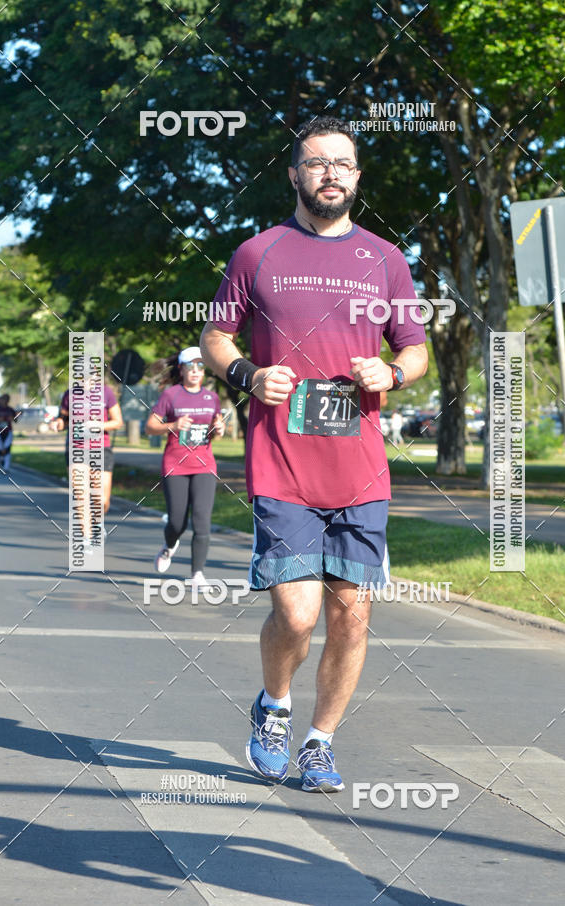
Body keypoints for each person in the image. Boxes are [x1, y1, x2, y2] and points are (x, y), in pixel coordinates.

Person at [201, 115, 428, 792]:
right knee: (297, 613)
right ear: (295, 174)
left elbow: (413, 348)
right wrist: (245, 374)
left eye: (344, 163)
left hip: (360, 470)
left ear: (357, 177)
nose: (331, 172)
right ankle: (274, 708)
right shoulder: (257, 253)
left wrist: (394, 373)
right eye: (317, 162)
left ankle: (321, 743)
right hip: (283, 464)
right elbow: (217, 338)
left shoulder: (386, 259)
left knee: (351, 611)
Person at [145, 346, 225, 594]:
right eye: (190, 366)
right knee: (177, 522)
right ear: (181, 369)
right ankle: (169, 546)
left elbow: (215, 429)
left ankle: (196, 574)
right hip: (175, 465)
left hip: (204, 465)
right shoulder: (171, 395)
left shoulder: (211, 398)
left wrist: (219, 429)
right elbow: (150, 427)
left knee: (202, 520)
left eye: (200, 366)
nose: (195, 371)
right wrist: (174, 424)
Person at [52, 380, 123, 541]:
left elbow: (118, 421)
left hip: (101, 448)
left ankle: (97, 522)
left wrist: (97, 425)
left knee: (102, 500)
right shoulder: (69, 394)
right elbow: (63, 419)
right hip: (76, 449)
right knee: (80, 494)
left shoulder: (106, 392)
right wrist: (57, 424)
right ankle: (87, 539)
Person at [0, 394, 17, 474]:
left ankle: (6, 467)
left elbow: (15, 419)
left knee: (7, 448)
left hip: (8, 431)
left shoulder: (10, 410)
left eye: (4, 399)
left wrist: (13, 417)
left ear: (7, 401)